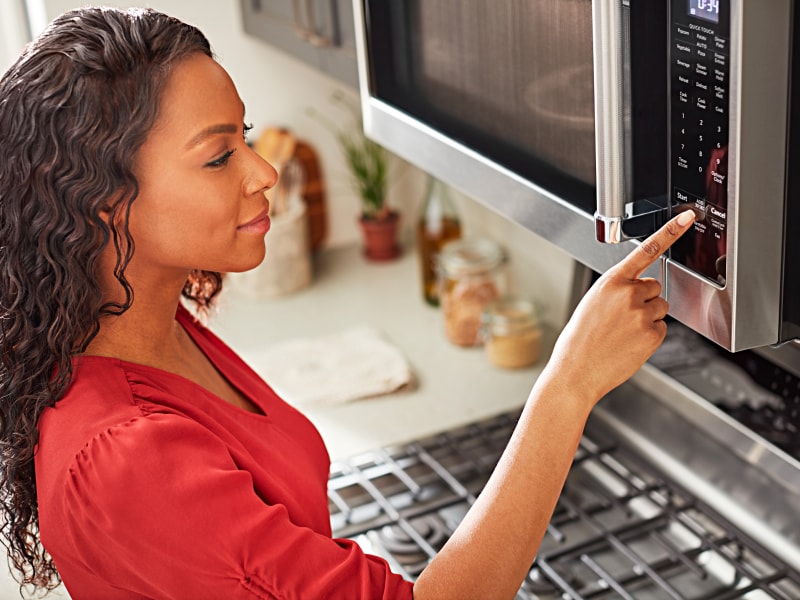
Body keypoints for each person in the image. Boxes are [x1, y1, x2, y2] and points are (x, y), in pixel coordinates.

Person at [0, 7, 695, 599]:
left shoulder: (148, 318)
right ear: (100, 206)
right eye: (218, 158)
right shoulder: (126, 458)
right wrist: (569, 385)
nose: (263, 171)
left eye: (242, 138)